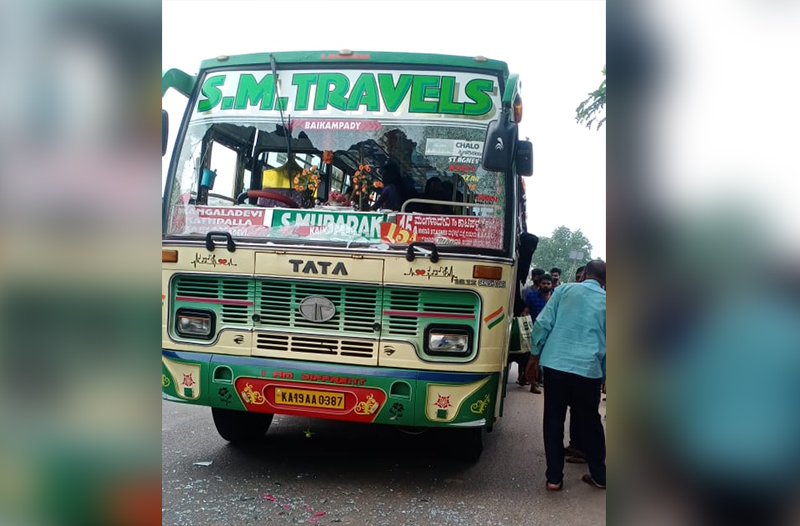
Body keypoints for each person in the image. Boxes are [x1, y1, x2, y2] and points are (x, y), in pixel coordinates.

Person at [526, 259, 606, 491]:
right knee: (591, 422)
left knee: (553, 419)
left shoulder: (563, 290)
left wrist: (534, 354)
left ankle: (554, 478)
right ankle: (600, 476)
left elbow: (542, 323)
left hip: (556, 366)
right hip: (588, 370)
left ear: (584, 275)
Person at [524, 273, 553, 394]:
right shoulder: (532, 296)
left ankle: (527, 377)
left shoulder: (555, 297)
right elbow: (526, 311)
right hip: (534, 332)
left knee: (544, 359)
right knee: (534, 357)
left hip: (550, 333)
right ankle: (533, 383)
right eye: (543, 283)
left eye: (548, 283)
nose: (546, 286)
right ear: (539, 284)